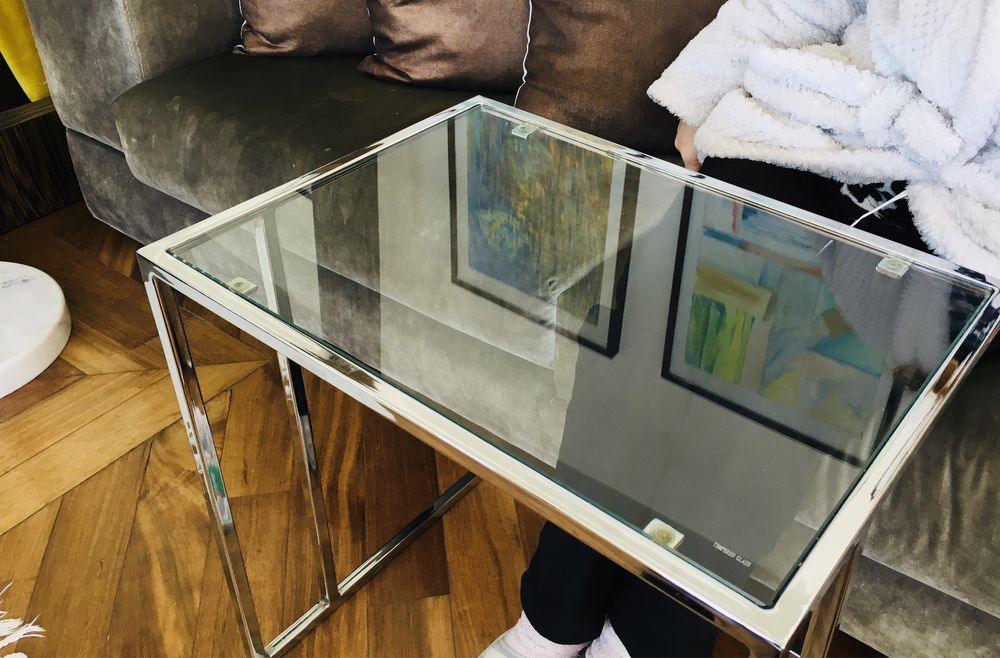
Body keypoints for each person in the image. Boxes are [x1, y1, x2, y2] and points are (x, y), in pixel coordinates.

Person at [483, 1, 1000, 656]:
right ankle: (552, 620)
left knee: (794, 381)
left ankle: (646, 641)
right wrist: (702, 94)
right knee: (646, 315)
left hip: (960, 211)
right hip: (824, 129)